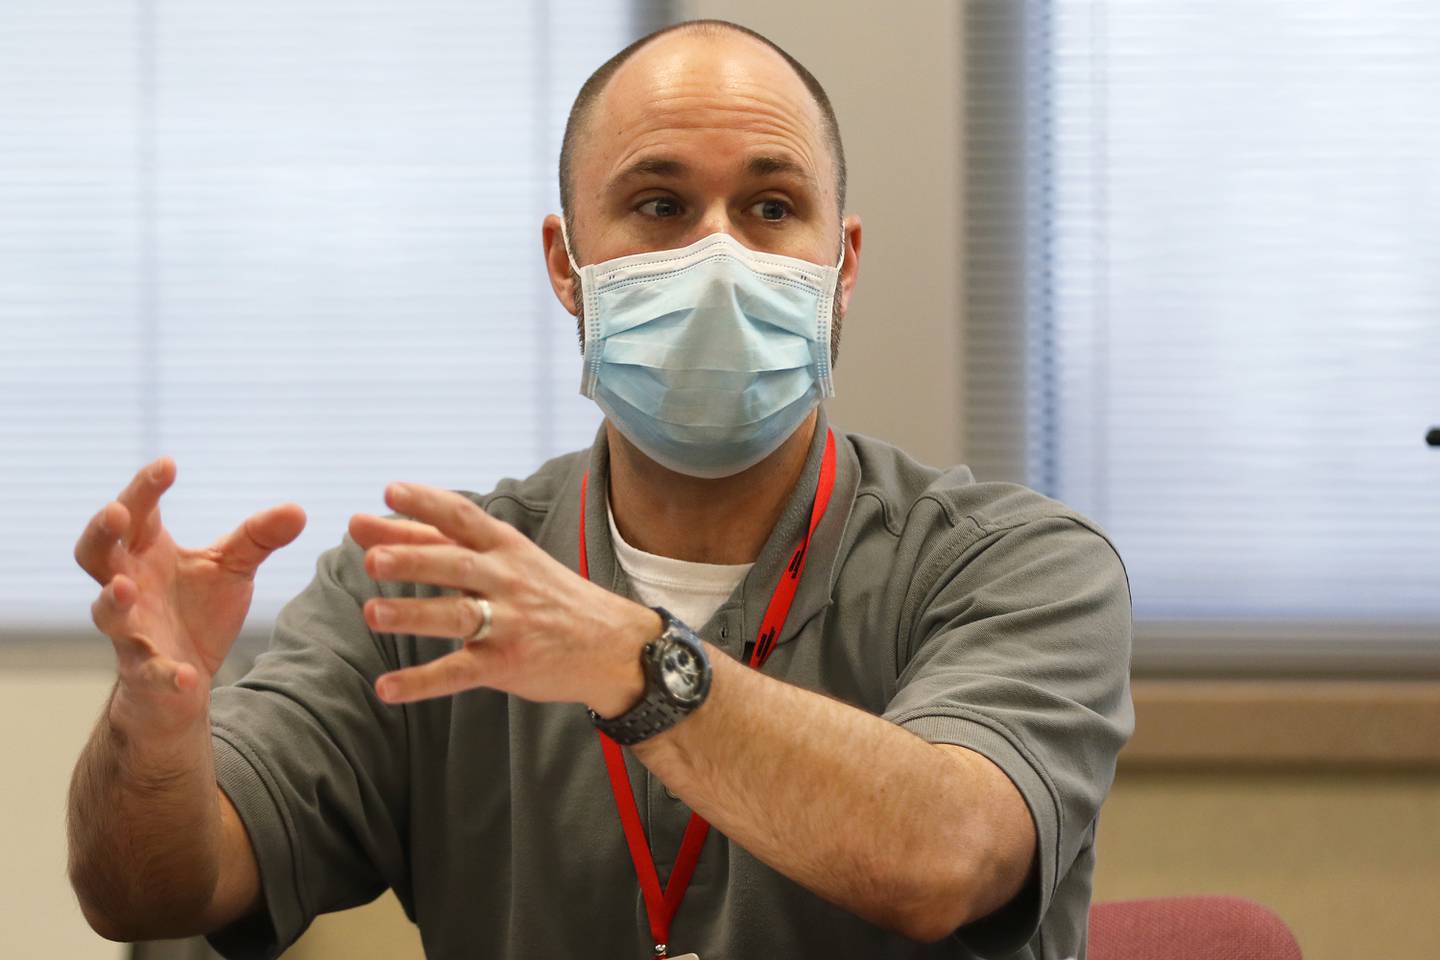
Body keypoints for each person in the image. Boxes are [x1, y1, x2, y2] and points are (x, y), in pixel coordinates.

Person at [66, 19, 1133, 960]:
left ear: (841, 265)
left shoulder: (1019, 568)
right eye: (659, 205)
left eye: (771, 206)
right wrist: (153, 731)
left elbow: (944, 857)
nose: (719, 253)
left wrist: (633, 666)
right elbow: (149, 888)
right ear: (566, 263)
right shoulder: (424, 590)